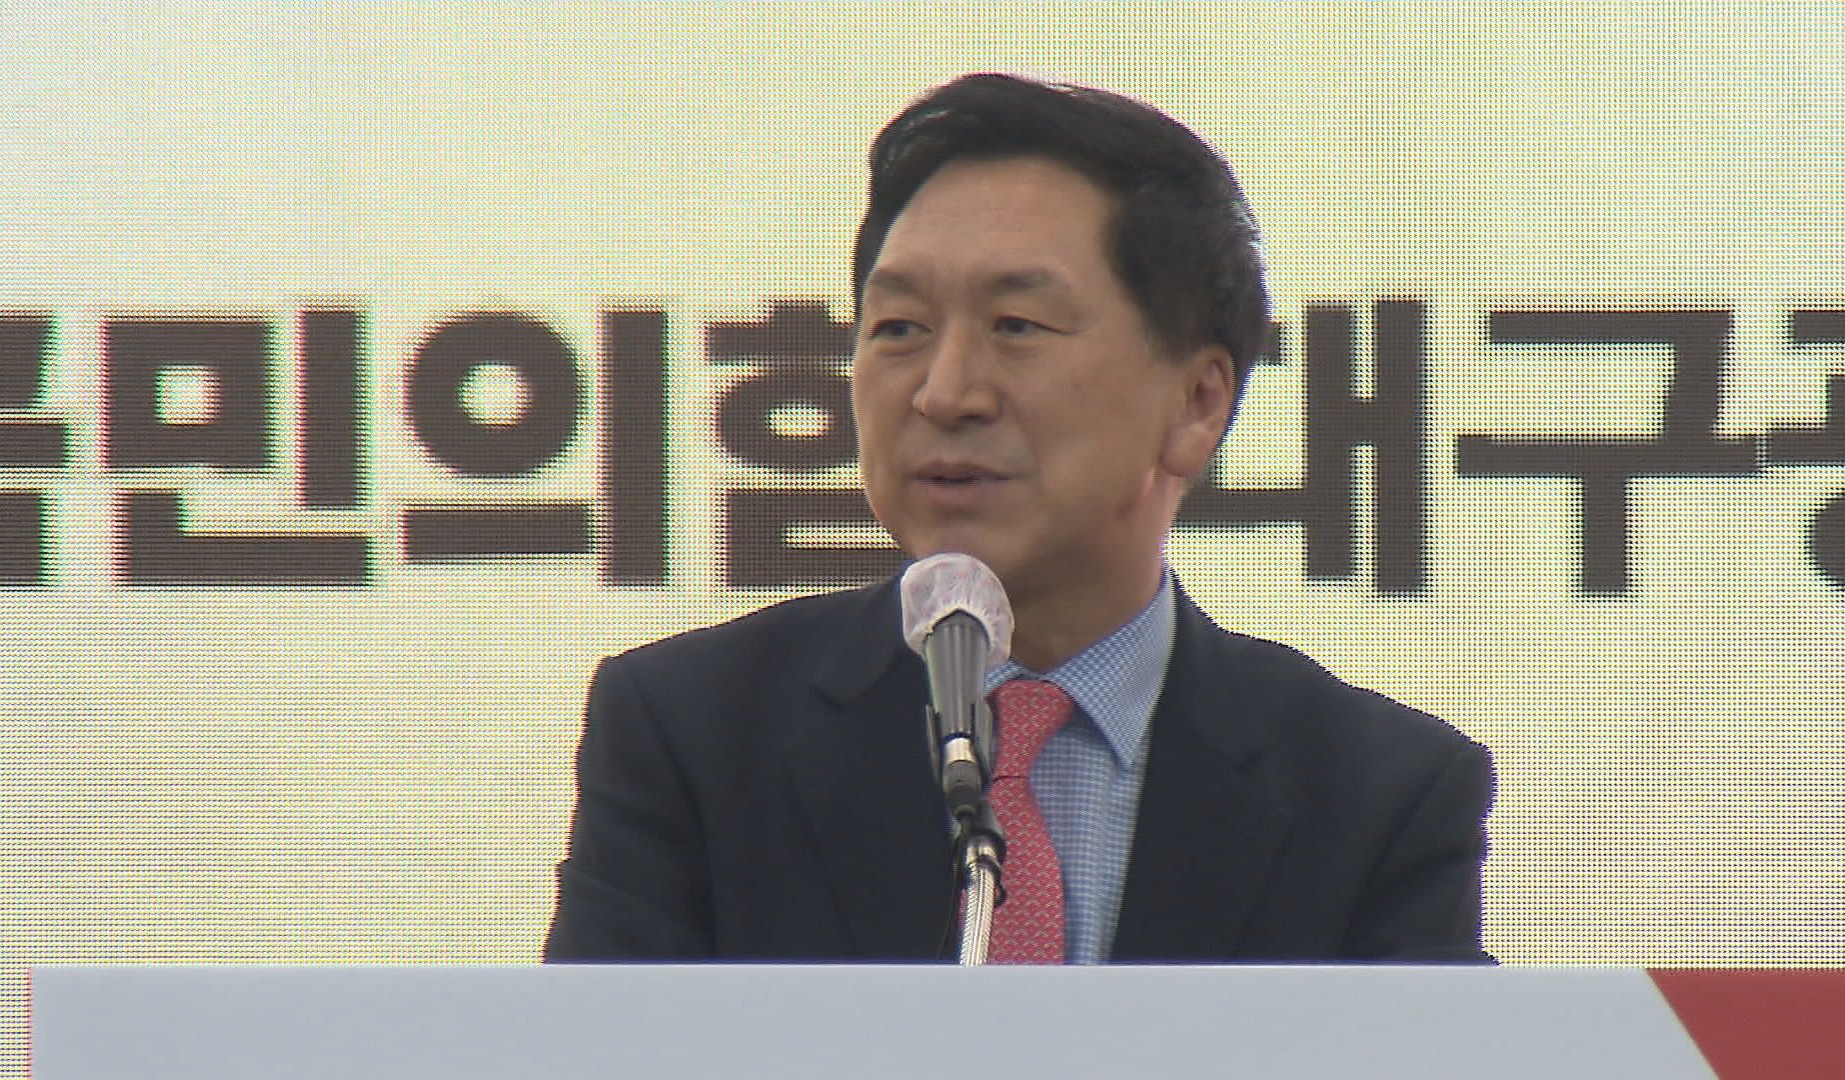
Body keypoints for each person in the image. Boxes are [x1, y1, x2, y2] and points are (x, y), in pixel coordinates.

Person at [546, 73, 1493, 964]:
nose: (945, 392)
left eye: (1017, 327)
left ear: (1199, 402)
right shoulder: (693, 736)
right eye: (899, 329)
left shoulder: (1377, 798)